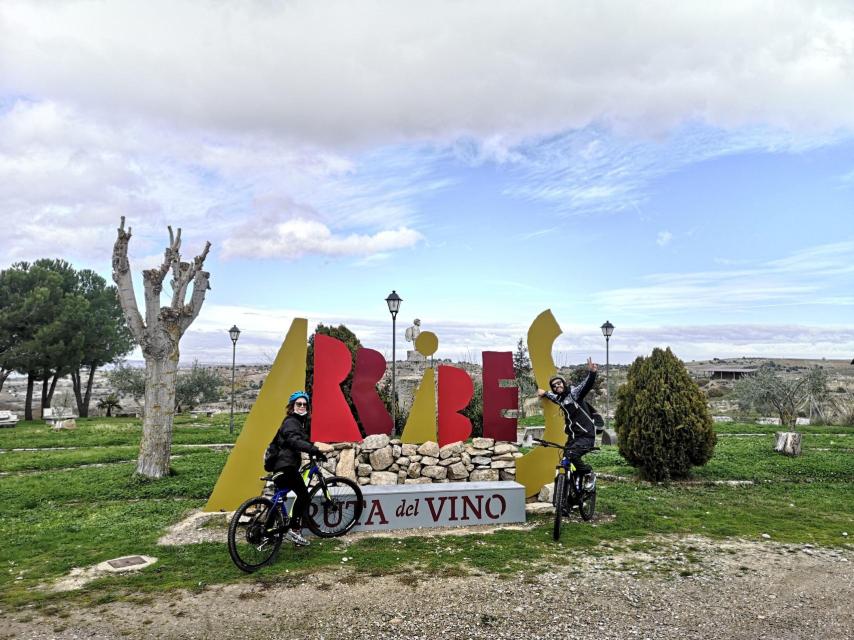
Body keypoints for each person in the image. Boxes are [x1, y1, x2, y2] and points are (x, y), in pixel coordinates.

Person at [266, 390, 327, 547]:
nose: (302, 406)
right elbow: (294, 441)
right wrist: (314, 449)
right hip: (286, 466)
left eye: (304, 404)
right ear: (292, 406)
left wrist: (312, 449)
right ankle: (294, 530)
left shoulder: (297, 423)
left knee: (279, 499)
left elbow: (300, 441)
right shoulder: (291, 422)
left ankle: (268, 533)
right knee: (304, 496)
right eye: (298, 404)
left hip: (279, 466)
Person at [537, 357, 598, 492]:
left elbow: (586, 385)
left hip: (586, 435)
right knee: (565, 459)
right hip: (573, 437)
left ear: (564, 383)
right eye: (554, 386)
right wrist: (545, 393)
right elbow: (553, 397)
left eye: (559, 383)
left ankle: (589, 474)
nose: (557, 386)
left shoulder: (574, 394)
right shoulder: (560, 398)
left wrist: (592, 373)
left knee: (572, 455)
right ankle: (567, 498)